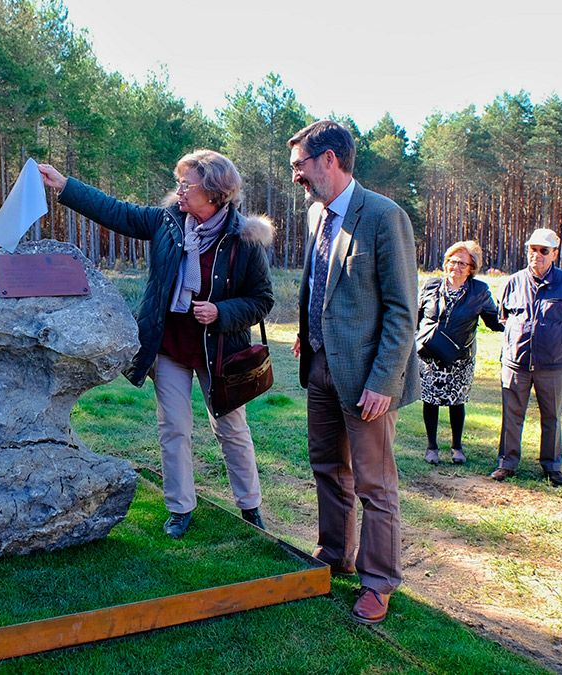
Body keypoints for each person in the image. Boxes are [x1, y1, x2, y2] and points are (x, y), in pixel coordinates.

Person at [37, 151, 274, 540]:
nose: (179, 190)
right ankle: (180, 509)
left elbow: (262, 299)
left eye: (187, 184)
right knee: (174, 429)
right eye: (179, 182)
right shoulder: (166, 222)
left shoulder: (244, 239)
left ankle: (250, 507)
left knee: (231, 430)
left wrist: (221, 311)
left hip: (221, 353)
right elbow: (116, 212)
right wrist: (65, 185)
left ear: (214, 193)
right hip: (170, 346)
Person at [289, 120, 418, 625]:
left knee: (375, 484)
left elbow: (401, 310)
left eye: (300, 165)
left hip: (367, 379)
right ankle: (334, 553)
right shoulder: (314, 215)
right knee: (327, 467)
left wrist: (385, 382)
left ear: (330, 159)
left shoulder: (385, 216)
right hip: (319, 365)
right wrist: (308, 330)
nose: (296, 175)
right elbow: (320, 281)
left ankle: (379, 581)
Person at [491, 228, 562, 486]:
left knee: (552, 416)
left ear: (555, 253)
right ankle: (506, 463)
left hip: (554, 364)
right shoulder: (513, 282)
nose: (538, 255)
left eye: (544, 250)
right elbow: (504, 317)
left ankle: (552, 467)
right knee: (512, 414)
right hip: (516, 363)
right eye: (533, 249)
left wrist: (552, 341)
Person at [416, 241, 503, 466]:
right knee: (430, 401)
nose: (455, 267)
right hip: (429, 356)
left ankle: (457, 447)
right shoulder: (430, 285)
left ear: (471, 268)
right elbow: (416, 317)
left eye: (462, 263)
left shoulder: (479, 291)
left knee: (456, 402)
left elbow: (493, 321)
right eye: (452, 261)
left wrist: (511, 318)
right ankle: (432, 447)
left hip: (459, 358)